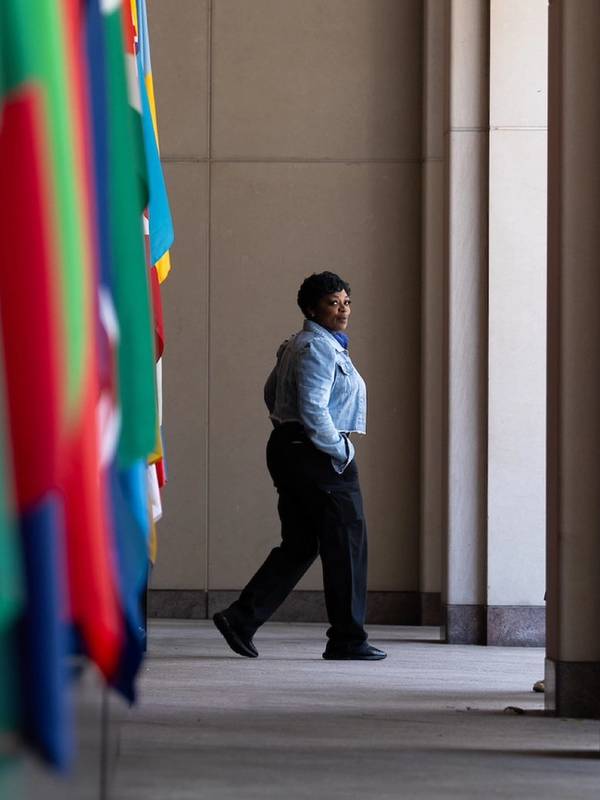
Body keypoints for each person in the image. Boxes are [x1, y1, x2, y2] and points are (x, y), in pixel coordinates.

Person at [213, 271, 386, 661]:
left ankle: (242, 618)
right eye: (332, 303)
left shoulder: (299, 344)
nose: (343, 310)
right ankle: (347, 639)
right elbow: (312, 408)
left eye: (346, 302)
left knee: (301, 543)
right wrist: (341, 450)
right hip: (318, 455)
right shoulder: (318, 349)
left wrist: (293, 430)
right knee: (347, 545)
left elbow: (271, 394)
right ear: (311, 308)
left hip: (291, 449)